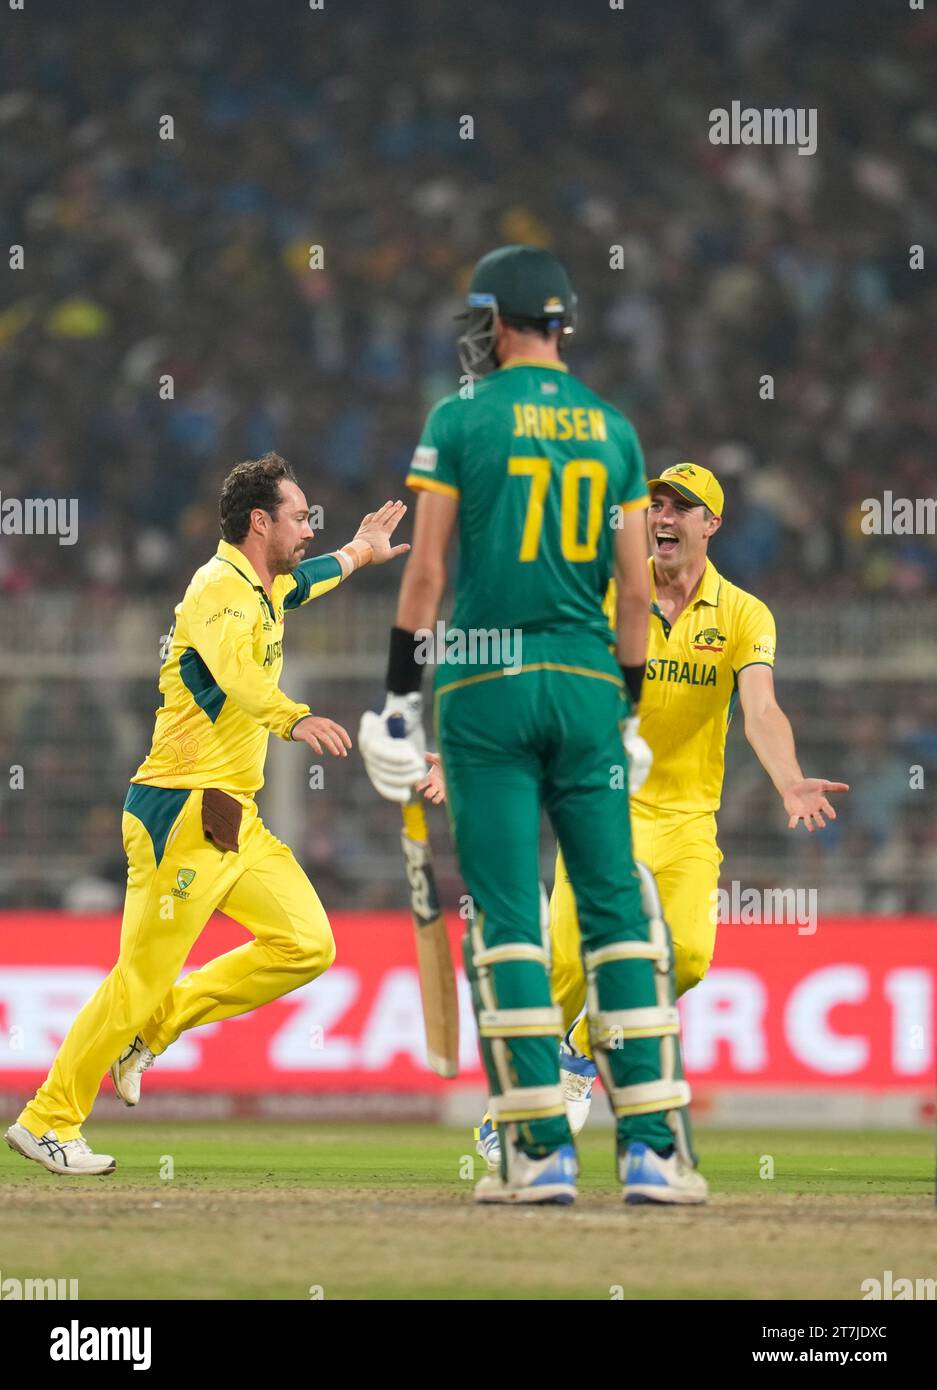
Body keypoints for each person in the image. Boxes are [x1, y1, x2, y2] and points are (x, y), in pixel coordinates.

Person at [360, 245, 707, 1205]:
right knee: (615, 916)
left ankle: (539, 1154)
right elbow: (636, 586)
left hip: (482, 688)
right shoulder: (615, 429)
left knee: (510, 920)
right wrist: (629, 708)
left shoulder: (461, 416)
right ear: (562, 323)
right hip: (590, 682)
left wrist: (396, 701)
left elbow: (426, 575)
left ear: (498, 321)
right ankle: (656, 1154)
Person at [5, 453, 408, 1175]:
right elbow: (239, 676)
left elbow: (304, 584)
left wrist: (359, 552)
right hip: (181, 812)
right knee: (136, 978)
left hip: (232, 816)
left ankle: (156, 1029)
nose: (308, 529)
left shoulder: (264, 588)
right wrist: (293, 718)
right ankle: (47, 1120)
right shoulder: (218, 589)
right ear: (260, 522)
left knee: (307, 945)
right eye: (299, 516)